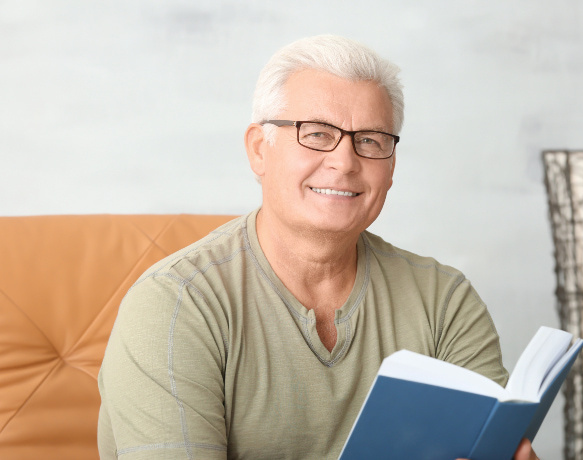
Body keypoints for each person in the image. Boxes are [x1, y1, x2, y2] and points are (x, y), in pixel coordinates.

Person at [97, 35, 538, 459]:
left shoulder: (445, 302)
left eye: (369, 140)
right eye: (317, 133)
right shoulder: (174, 306)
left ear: (391, 166)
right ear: (258, 150)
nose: (345, 161)